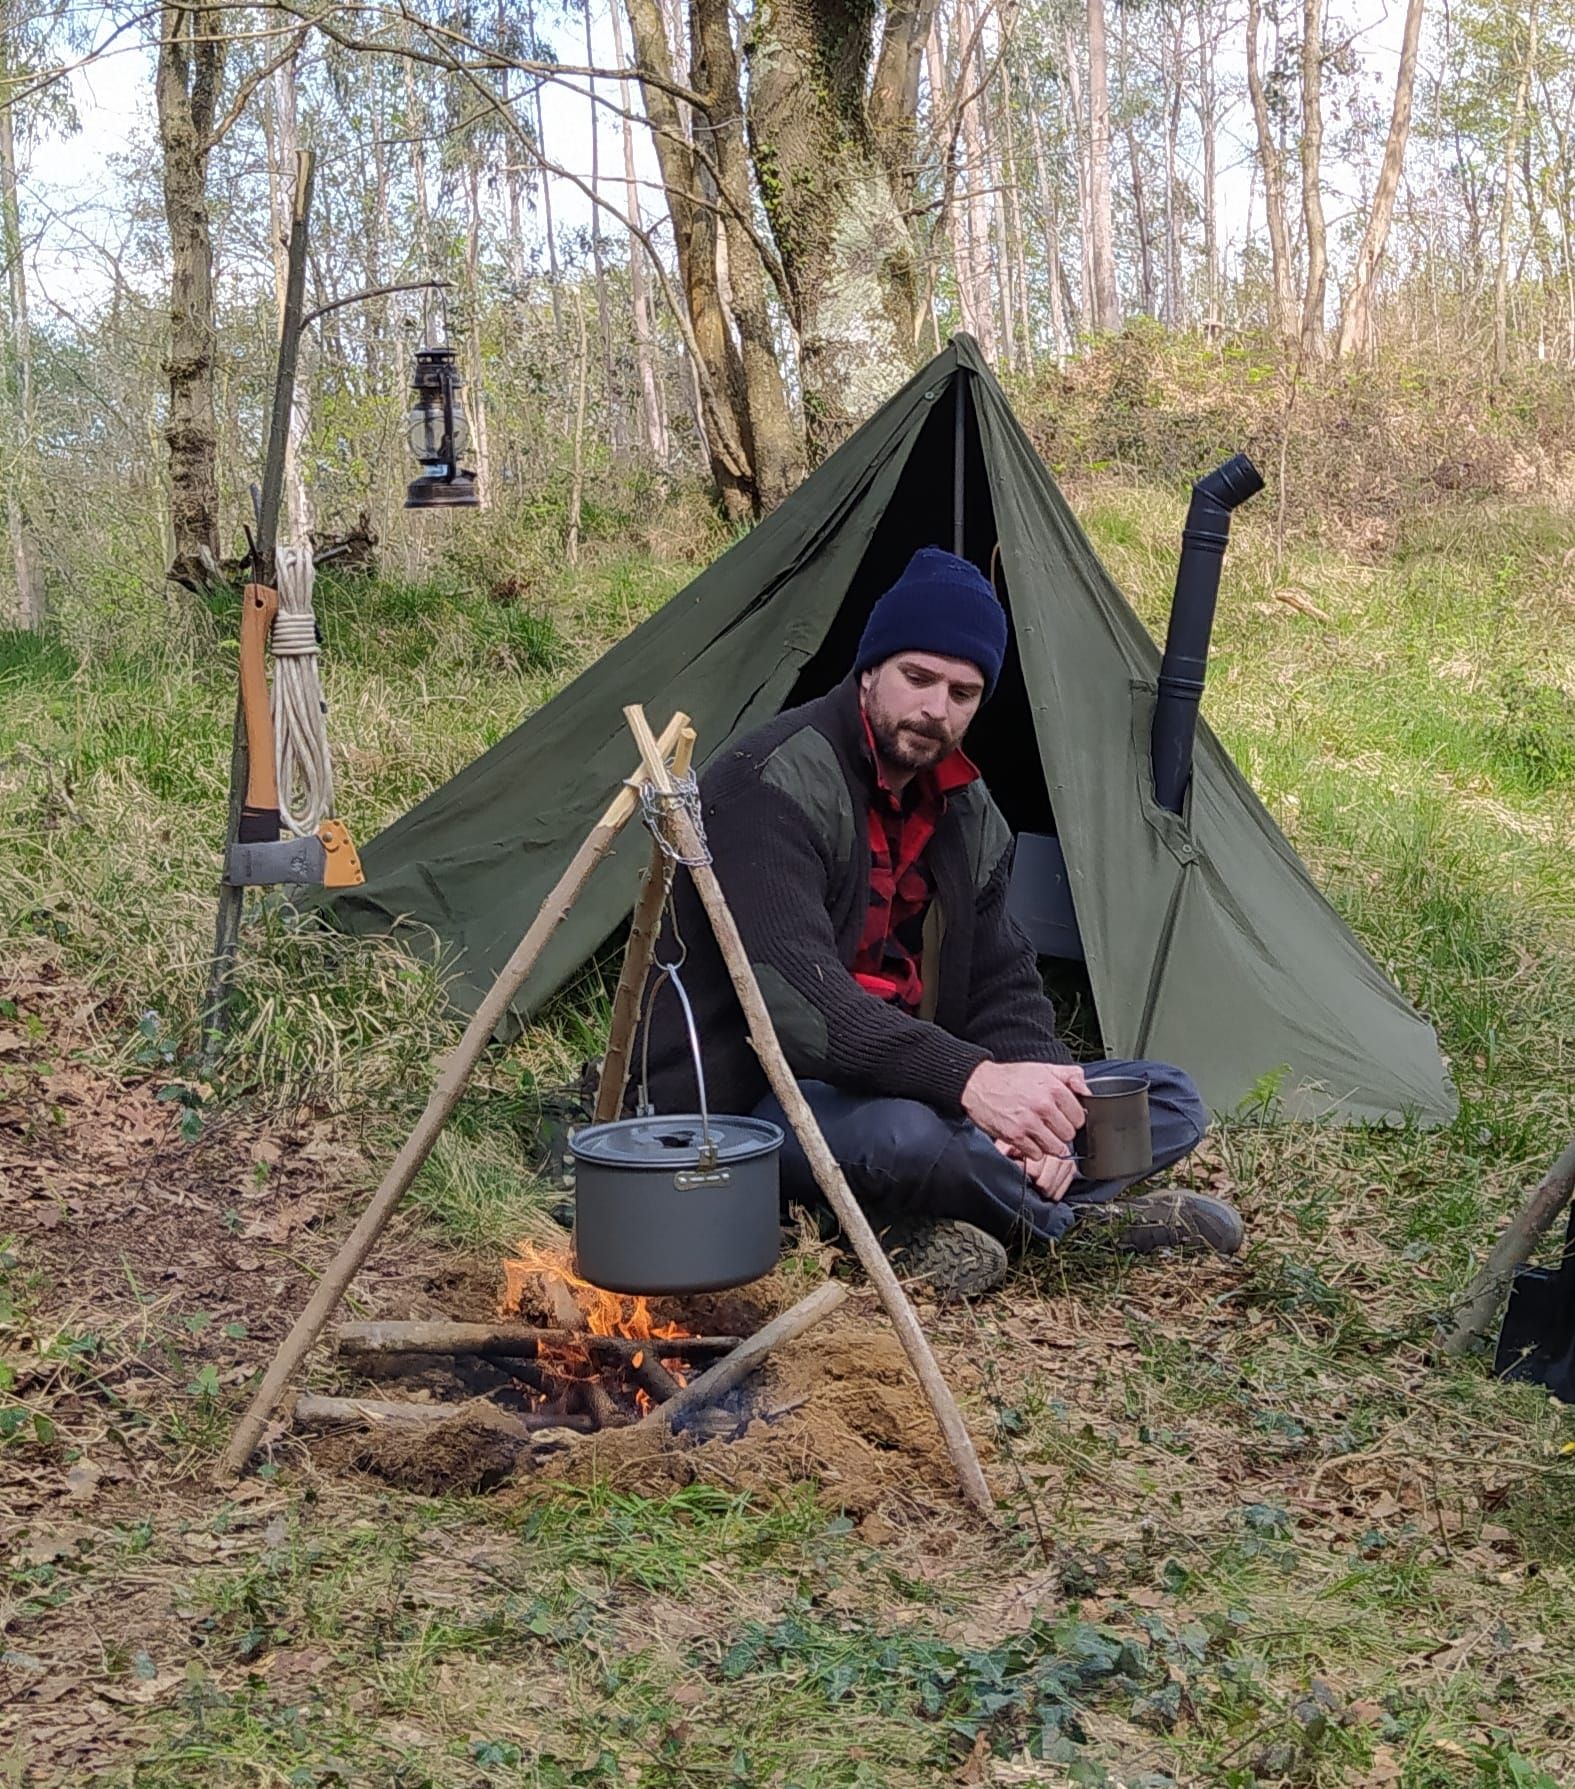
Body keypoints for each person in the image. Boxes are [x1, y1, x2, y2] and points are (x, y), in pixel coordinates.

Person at [639, 546, 1243, 1296]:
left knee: (1165, 1098)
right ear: (869, 671)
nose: (935, 708)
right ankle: (1069, 1230)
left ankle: (951, 1210)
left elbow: (1003, 980)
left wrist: (1042, 1102)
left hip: (916, 1078)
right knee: (910, 1136)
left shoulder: (967, 807)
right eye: (917, 678)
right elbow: (800, 1011)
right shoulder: (769, 783)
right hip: (762, 1097)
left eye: (962, 691)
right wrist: (974, 1083)